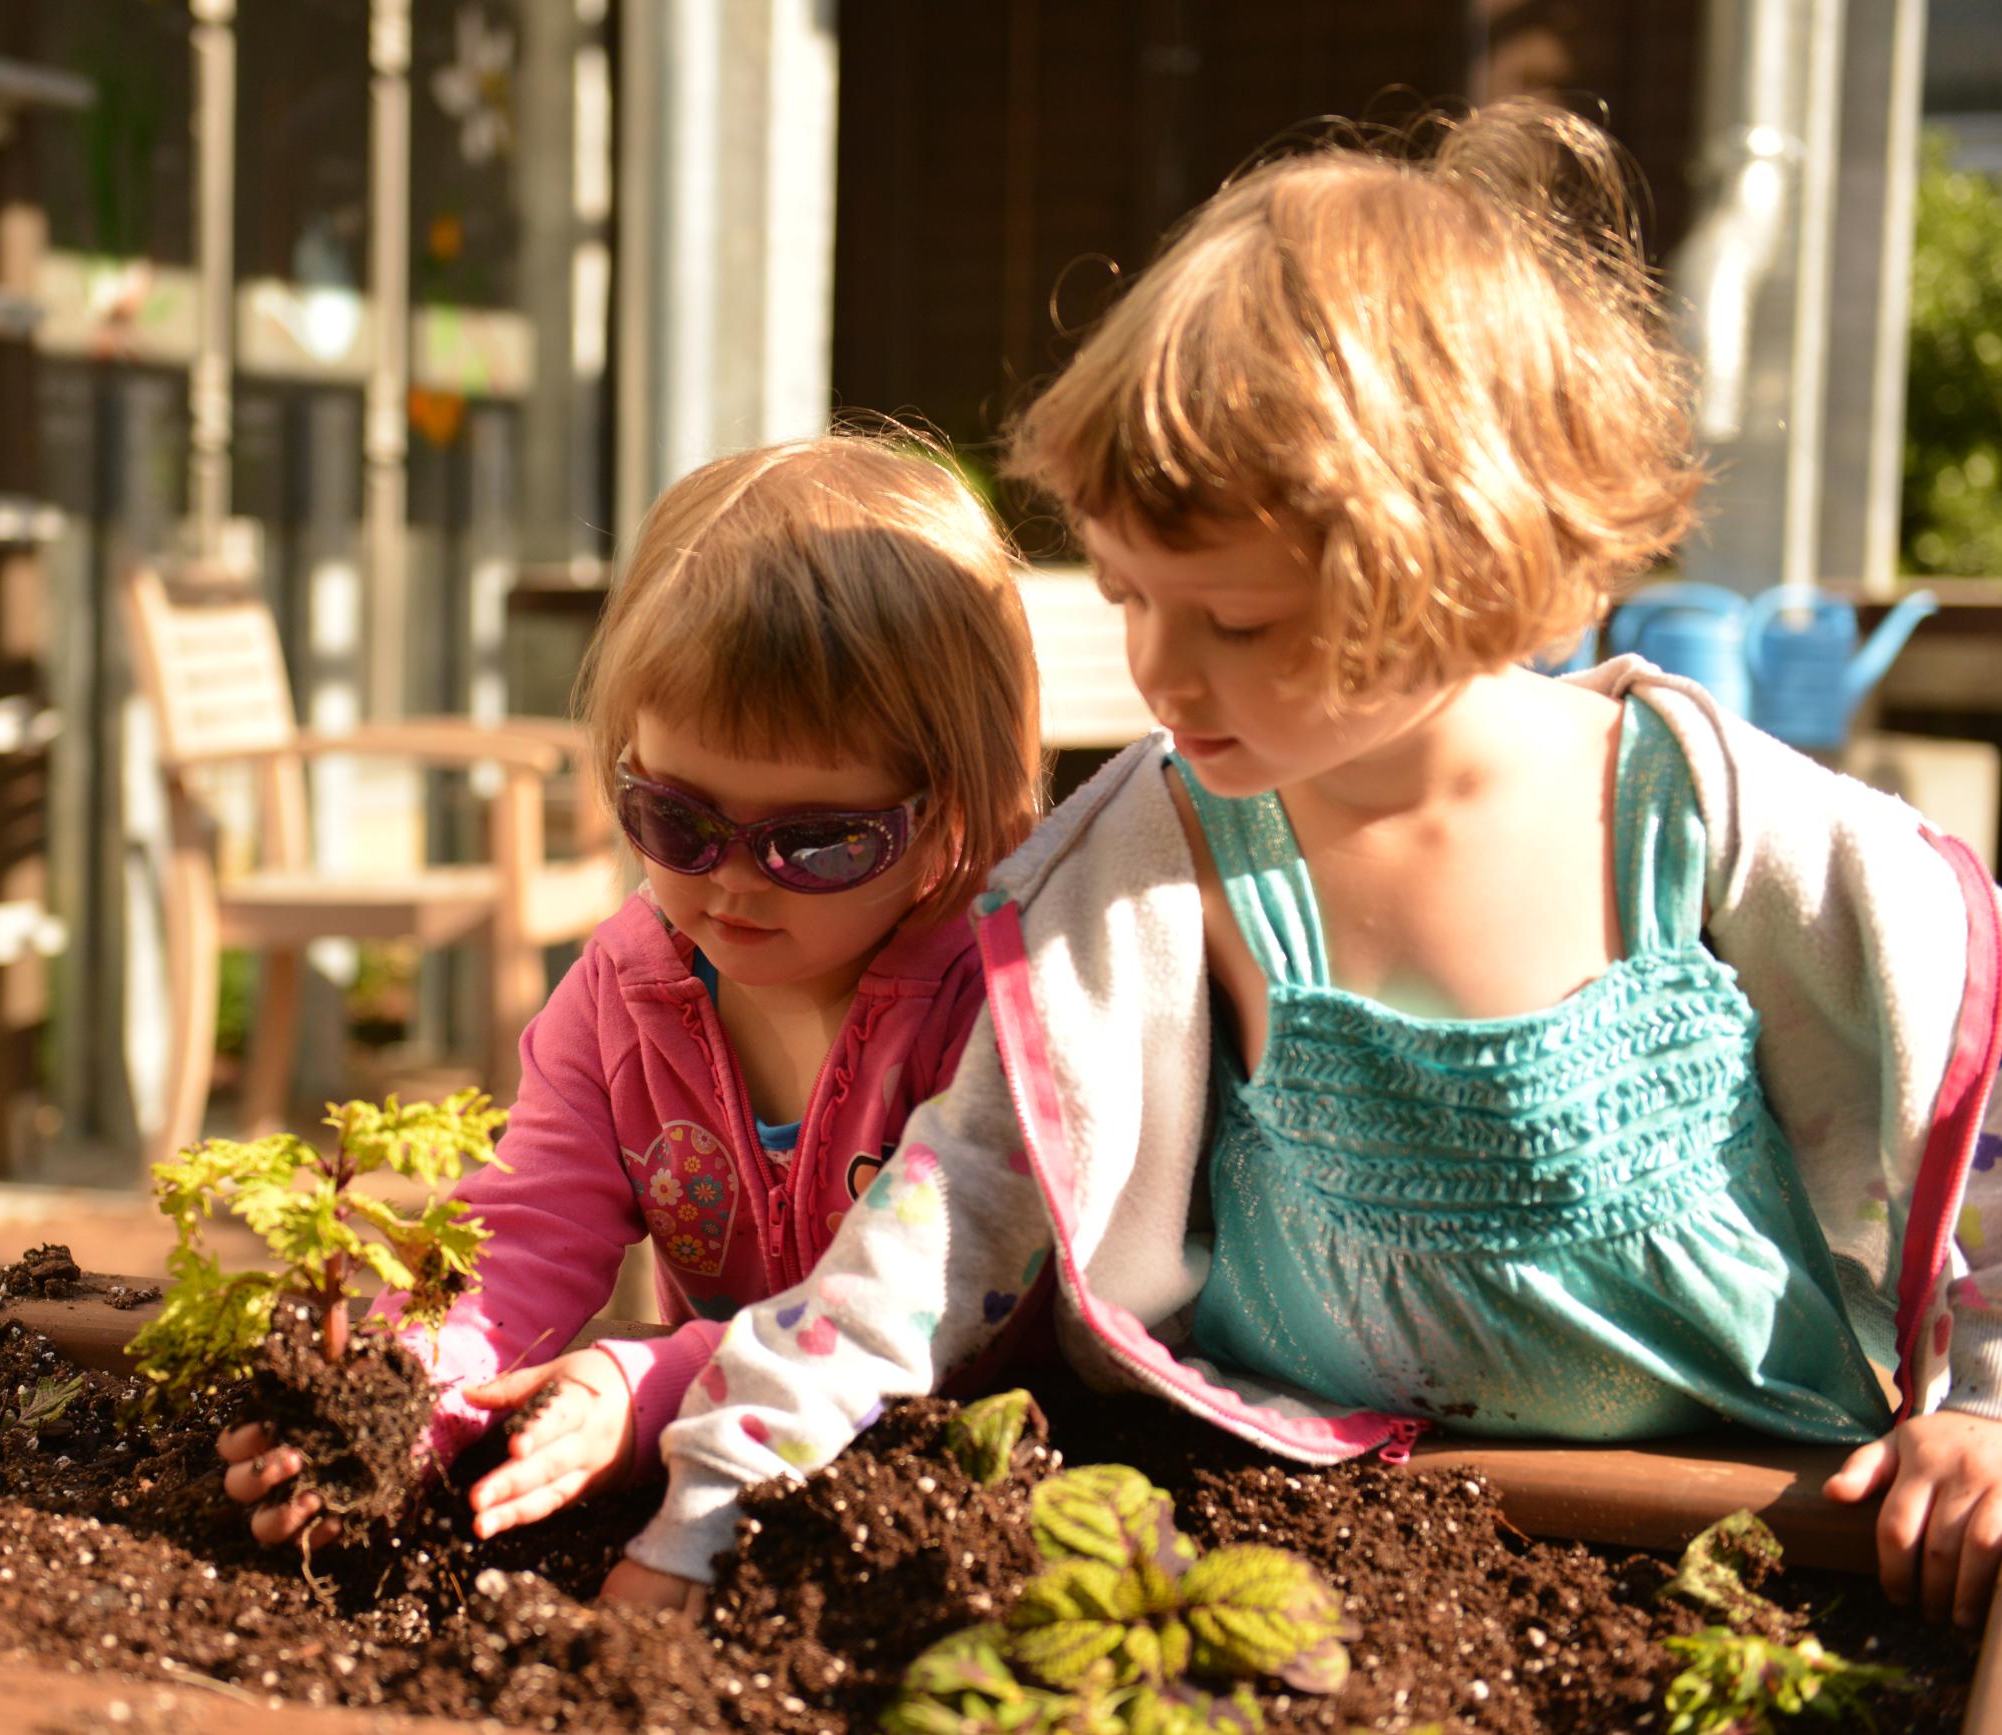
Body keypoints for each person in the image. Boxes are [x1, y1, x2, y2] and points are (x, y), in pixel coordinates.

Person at [603, 98, 2002, 1627]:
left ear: (1464, 559)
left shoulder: (1691, 812)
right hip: (1305, 1528)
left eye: (1237, 621)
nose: (1160, 672)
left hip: (1753, 1530)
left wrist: (1991, 1409)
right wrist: (719, 1493)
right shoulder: (1159, 850)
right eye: (1127, 594)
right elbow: (963, 1205)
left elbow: (1968, 1079)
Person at [217, 434, 1046, 1545]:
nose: (735, 885)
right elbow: (524, 1226)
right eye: (676, 821)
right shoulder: (626, 989)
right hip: (713, 1472)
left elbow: (924, 1321)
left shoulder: (995, 1009)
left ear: (948, 814)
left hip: (961, 1492)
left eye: (818, 844)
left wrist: (642, 1387)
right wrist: (409, 1388)